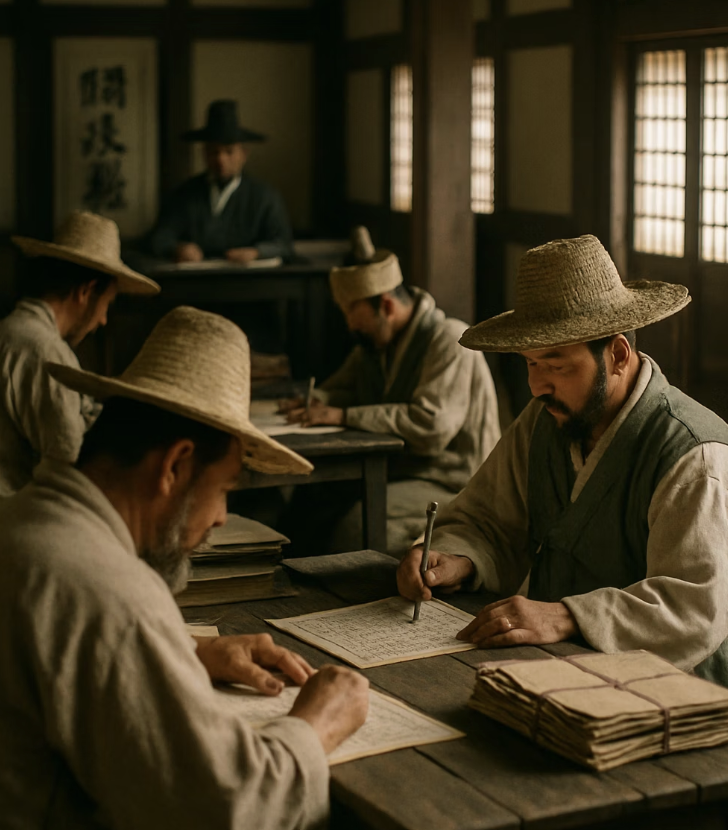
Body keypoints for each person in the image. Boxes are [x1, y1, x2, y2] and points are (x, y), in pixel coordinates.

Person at [0, 305, 369, 828]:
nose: (221, 517)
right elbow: (223, 807)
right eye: (224, 490)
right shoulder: (110, 594)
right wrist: (318, 724)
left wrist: (190, 652)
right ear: (175, 465)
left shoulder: (22, 522)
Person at [397, 234, 728, 713]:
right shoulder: (545, 420)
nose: (538, 385)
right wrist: (455, 557)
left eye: (557, 365)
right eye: (531, 364)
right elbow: (488, 519)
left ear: (618, 355)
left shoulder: (694, 455)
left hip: (687, 704)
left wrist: (568, 617)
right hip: (564, 681)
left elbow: (693, 610)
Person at [281, 234, 500, 557]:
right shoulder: (377, 344)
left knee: (357, 526)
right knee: (308, 499)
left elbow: (431, 427)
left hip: (451, 482)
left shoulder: (450, 340)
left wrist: (342, 416)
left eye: (353, 314)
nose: (350, 325)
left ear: (385, 306)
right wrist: (319, 401)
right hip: (399, 472)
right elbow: (341, 388)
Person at [0, 210, 160, 497]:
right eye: (107, 305)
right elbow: (70, 460)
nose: (103, 321)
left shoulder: (14, 332)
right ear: (85, 292)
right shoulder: (42, 350)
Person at [150, 99, 293, 264]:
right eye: (213, 152)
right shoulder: (185, 193)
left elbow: (283, 244)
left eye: (229, 152)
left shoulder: (265, 196)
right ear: (204, 153)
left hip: (248, 280)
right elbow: (159, 238)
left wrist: (256, 252)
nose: (220, 159)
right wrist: (178, 248)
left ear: (244, 154)